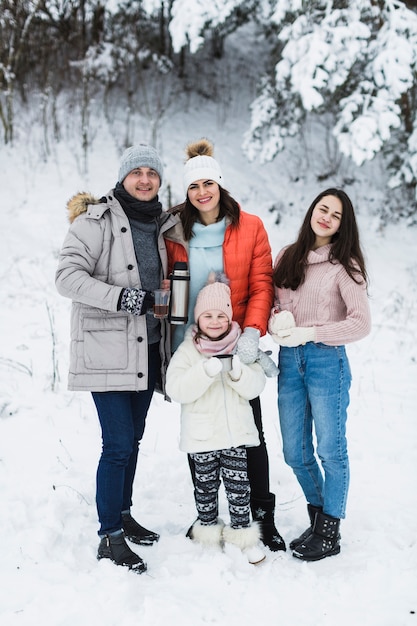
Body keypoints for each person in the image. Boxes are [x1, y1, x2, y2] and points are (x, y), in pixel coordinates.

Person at [55, 144, 178, 573]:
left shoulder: (162, 226)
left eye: (152, 173)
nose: (144, 179)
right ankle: (109, 535)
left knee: (133, 440)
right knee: (118, 444)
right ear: (122, 177)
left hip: (147, 349)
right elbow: (67, 278)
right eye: (136, 172)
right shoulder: (95, 221)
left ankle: (123, 514)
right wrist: (126, 298)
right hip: (106, 351)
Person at [164, 138, 286, 551]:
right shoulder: (174, 228)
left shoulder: (250, 226)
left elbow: (261, 283)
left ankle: (261, 514)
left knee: (249, 432)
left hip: (236, 342)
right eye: (193, 186)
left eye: (208, 184)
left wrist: (252, 330)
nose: (202, 192)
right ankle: (206, 516)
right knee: (199, 429)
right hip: (191, 343)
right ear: (187, 192)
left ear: (220, 183)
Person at [268, 188, 371, 561]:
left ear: (344, 225)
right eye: (323, 209)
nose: (326, 217)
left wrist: (311, 333)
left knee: (330, 449)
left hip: (327, 362)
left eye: (336, 215)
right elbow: (275, 304)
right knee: (294, 451)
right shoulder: (287, 256)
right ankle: (317, 517)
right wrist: (275, 323)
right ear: (312, 210)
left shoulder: (345, 266)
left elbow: (360, 323)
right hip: (289, 362)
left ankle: (329, 531)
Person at [165, 275, 266, 564]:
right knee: (205, 486)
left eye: (221, 315)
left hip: (235, 434)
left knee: (239, 488)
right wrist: (206, 371)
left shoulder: (240, 349)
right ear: (198, 318)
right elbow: (176, 388)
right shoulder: (188, 350)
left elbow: (255, 386)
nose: (215, 321)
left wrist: (236, 370)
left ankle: (242, 536)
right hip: (203, 435)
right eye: (208, 315)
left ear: (230, 317)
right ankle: (207, 530)